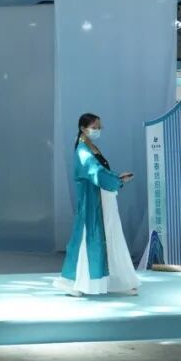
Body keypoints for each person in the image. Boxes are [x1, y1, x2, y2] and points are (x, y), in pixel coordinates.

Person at [54, 113, 140, 297]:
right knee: (86, 239)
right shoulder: (83, 151)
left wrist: (117, 177)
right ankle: (72, 282)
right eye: (94, 127)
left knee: (109, 236)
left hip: (103, 199)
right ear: (83, 128)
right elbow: (96, 173)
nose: (98, 130)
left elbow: (101, 171)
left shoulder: (91, 147)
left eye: (99, 127)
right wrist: (118, 180)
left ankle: (115, 281)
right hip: (92, 201)